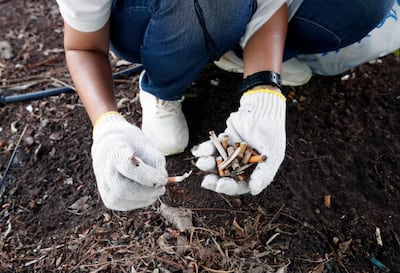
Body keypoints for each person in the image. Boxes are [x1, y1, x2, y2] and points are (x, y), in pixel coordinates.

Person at [56, 0, 394, 211]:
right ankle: (163, 85)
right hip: (146, 16)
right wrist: (107, 126)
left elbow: (273, 2)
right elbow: (83, 46)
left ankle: (235, 52)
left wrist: (264, 88)